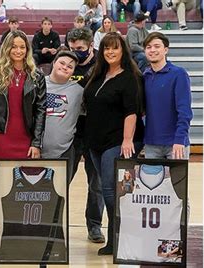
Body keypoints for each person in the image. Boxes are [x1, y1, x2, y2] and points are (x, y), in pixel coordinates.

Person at [84, 32, 145, 255]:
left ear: (123, 50)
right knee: (103, 187)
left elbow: (132, 111)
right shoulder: (98, 75)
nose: (110, 52)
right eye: (106, 48)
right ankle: (117, 235)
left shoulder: (130, 77)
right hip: (96, 142)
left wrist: (128, 140)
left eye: (115, 48)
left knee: (110, 190)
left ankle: (116, 238)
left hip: (118, 141)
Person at [65, 27, 105, 244]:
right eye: (72, 48)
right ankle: (56, 224)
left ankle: (95, 225)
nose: (75, 52)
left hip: (95, 131)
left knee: (96, 183)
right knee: (62, 181)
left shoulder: (102, 64)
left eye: (79, 49)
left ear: (91, 45)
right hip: (70, 132)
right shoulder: (65, 63)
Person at [0, 29, 47, 168]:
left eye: (22, 47)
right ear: (7, 48)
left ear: (28, 49)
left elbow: (41, 111)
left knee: (23, 185)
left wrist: (36, 143)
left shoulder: (37, 75)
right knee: (1, 184)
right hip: (1, 138)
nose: (18, 51)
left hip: (27, 139)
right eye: (14, 47)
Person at [142, 32, 193, 159]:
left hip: (175, 144)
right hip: (151, 144)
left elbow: (185, 111)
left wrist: (180, 139)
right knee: (151, 180)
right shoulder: (144, 76)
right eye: (148, 47)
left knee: (177, 180)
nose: (152, 50)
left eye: (157, 46)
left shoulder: (179, 74)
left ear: (165, 50)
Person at [42, 51, 83, 182]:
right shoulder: (38, 85)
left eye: (70, 67)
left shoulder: (79, 92)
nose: (65, 67)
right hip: (35, 150)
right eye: (62, 63)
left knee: (60, 196)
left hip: (64, 151)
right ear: (54, 63)